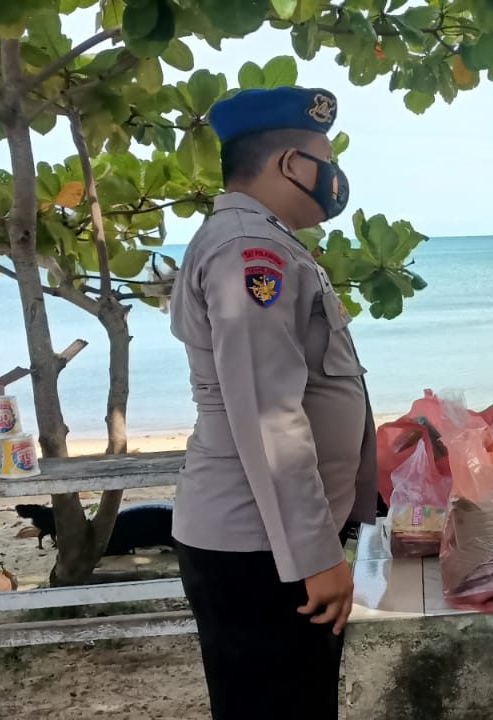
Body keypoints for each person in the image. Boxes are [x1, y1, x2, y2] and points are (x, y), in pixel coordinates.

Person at [168, 86, 376, 720]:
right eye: (325, 154)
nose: (335, 173)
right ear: (291, 164)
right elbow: (267, 412)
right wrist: (316, 557)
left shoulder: (265, 241)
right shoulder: (247, 252)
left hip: (271, 539)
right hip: (260, 547)